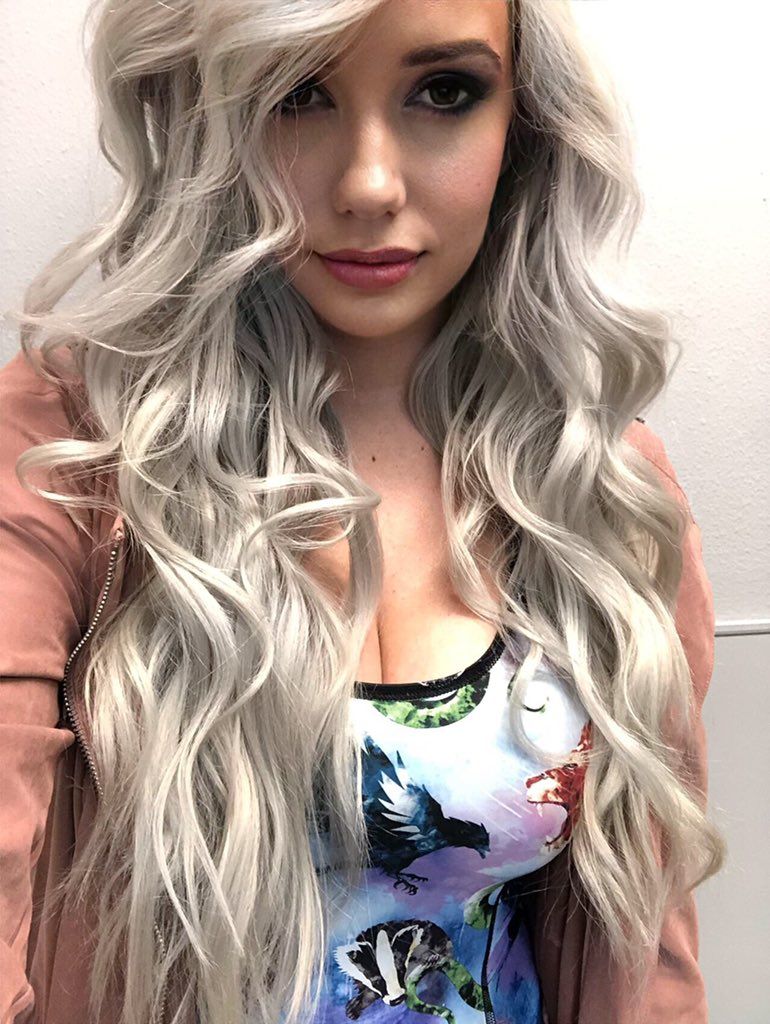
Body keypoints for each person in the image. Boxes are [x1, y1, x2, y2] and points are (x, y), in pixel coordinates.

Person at [0, 1, 726, 1022]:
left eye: (443, 92)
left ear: (523, 120)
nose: (369, 184)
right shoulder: (65, 447)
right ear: (208, 111)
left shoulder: (593, 483)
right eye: (295, 93)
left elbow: (648, 958)